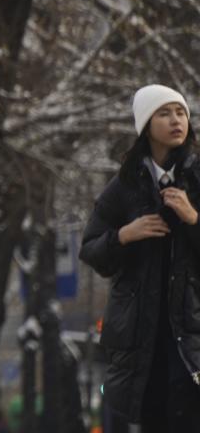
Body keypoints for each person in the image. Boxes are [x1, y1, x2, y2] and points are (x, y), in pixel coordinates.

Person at [79, 84, 200, 432]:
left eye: (181, 113)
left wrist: (193, 219)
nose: (176, 120)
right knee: (153, 417)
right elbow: (90, 249)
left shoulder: (196, 177)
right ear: (146, 125)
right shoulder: (125, 185)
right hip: (140, 335)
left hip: (191, 333)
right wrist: (123, 236)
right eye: (164, 113)